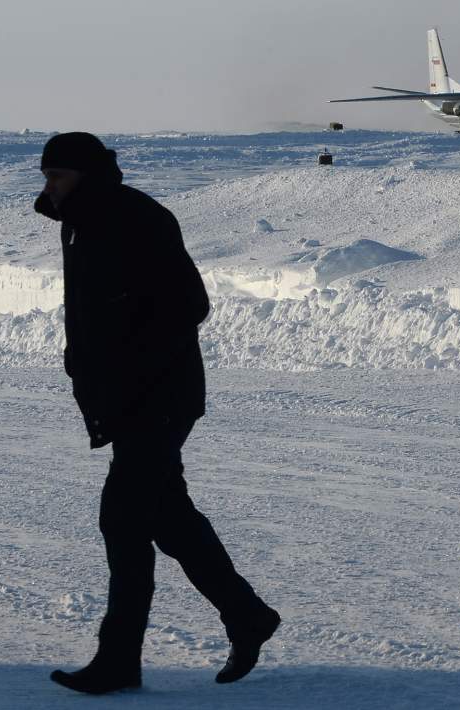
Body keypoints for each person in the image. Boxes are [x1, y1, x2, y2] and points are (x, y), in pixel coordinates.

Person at [34, 132, 280, 695]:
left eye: (58, 176)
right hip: (128, 398)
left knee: (122, 522)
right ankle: (247, 615)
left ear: (88, 175)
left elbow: (189, 304)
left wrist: (131, 364)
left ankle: (118, 659)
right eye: (46, 176)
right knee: (167, 518)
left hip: (156, 398)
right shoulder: (83, 221)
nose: (48, 186)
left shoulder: (135, 219)